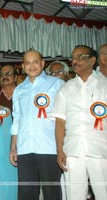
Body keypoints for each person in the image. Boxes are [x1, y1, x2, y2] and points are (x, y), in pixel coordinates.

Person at [49, 45, 107, 200]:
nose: (75, 60)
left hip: (101, 149)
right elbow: (60, 122)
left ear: (92, 60)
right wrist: (60, 150)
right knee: (74, 195)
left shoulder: (104, 85)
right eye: (73, 57)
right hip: (72, 150)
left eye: (80, 56)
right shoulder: (66, 89)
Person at [10, 50, 64, 200]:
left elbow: (64, 117)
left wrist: (62, 147)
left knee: (52, 194)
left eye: (35, 62)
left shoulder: (57, 84)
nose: (32, 66)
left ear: (42, 63)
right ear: (22, 66)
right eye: (27, 62)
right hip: (25, 148)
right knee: (26, 194)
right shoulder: (19, 89)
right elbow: (17, 119)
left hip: (49, 147)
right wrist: (13, 147)